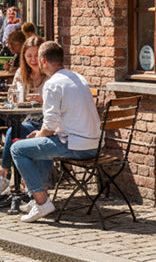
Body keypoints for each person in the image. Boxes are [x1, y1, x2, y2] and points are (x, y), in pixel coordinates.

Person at [10, 41, 101, 222]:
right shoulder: (78, 78)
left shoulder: (53, 84)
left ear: (43, 62)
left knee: (18, 149)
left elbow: (50, 126)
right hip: (94, 145)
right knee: (40, 144)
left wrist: (41, 134)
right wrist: (40, 135)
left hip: (76, 145)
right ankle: (40, 193)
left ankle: (42, 202)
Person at [0, 35, 46, 199]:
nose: (33, 59)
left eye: (36, 55)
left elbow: (59, 101)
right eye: (29, 56)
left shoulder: (49, 74)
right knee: (13, 131)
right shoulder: (21, 74)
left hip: (48, 123)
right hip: (29, 121)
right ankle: (5, 175)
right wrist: (13, 98)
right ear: (24, 57)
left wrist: (43, 99)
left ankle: (6, 176)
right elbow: (11, 95)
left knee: (13, 133)